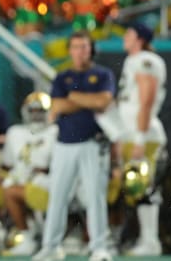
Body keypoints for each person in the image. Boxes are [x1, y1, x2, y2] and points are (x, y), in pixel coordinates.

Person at [34, 31, 114, 261]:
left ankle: (99, 246)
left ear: (91, 49)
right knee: (57, 195)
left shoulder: (102, 74)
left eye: (84, 47)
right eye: (76, 47)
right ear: (70, 50)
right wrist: (87, 100)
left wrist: (74, 98)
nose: (80, 51)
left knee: (95, 196)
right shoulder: (62, 78)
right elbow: (57, 106)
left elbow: (103, 101)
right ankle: (51, 246)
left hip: (93, 143)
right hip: (64, 144)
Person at [116, 23, 167, 256]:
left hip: (143, 134)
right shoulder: (133, 60)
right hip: (133, 132)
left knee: (144, 186)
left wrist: (139, 137)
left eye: (129, 33)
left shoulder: (145, 59)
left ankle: (150, 241)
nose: (125, 36)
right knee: (136, 187)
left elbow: (147, 99)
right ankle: (145, 239)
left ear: (139, 38)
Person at [1, 92, 58, 255]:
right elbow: (7, 164)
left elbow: (60, 165)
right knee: (4, 187)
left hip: (46, 180)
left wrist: (43, 170)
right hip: (21, 179)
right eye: (32, 111)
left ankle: (29, 236)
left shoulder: (55, 131)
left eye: (39, 111)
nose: (36, 115)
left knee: (13, 191)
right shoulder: (15, 132)